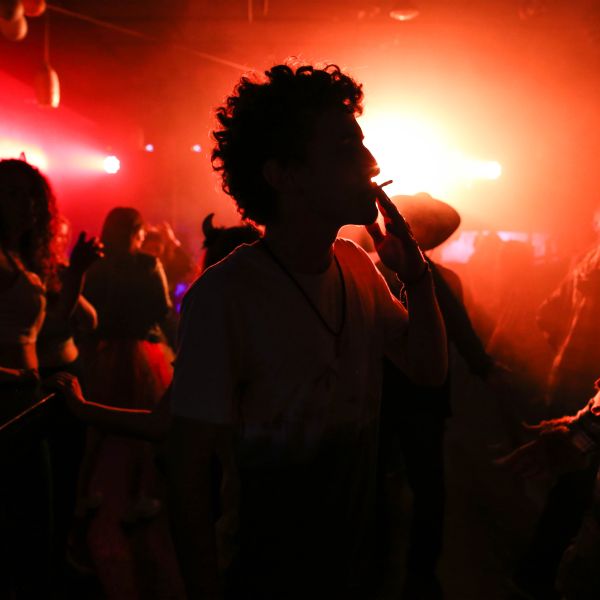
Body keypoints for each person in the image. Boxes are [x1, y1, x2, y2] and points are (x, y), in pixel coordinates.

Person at [165, 62, 447, 600]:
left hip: (356, 565)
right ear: (284, 174)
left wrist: (418, 277)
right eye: (345, 147)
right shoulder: (226, 296)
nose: (371, 161)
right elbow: (187, 471)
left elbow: (428, 371)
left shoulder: (356, 266)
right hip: (264, 574)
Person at [0, 158, 58, 597]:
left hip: (26, 399)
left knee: (31, 517)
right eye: (13, 194)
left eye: (31, 195)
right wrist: (13, 376)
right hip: (6, 401)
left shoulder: (17, 256)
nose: (27, 205)